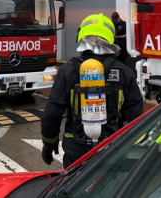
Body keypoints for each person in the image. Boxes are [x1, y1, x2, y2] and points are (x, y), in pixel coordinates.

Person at [41, 13, 143, 168]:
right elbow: (134, 114)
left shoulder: (68, 70)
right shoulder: (124, 72)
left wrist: (49, 143)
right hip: (113, 148)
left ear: (81, 37)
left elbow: (52, 113)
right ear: (111, 39)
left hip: (76, 149)